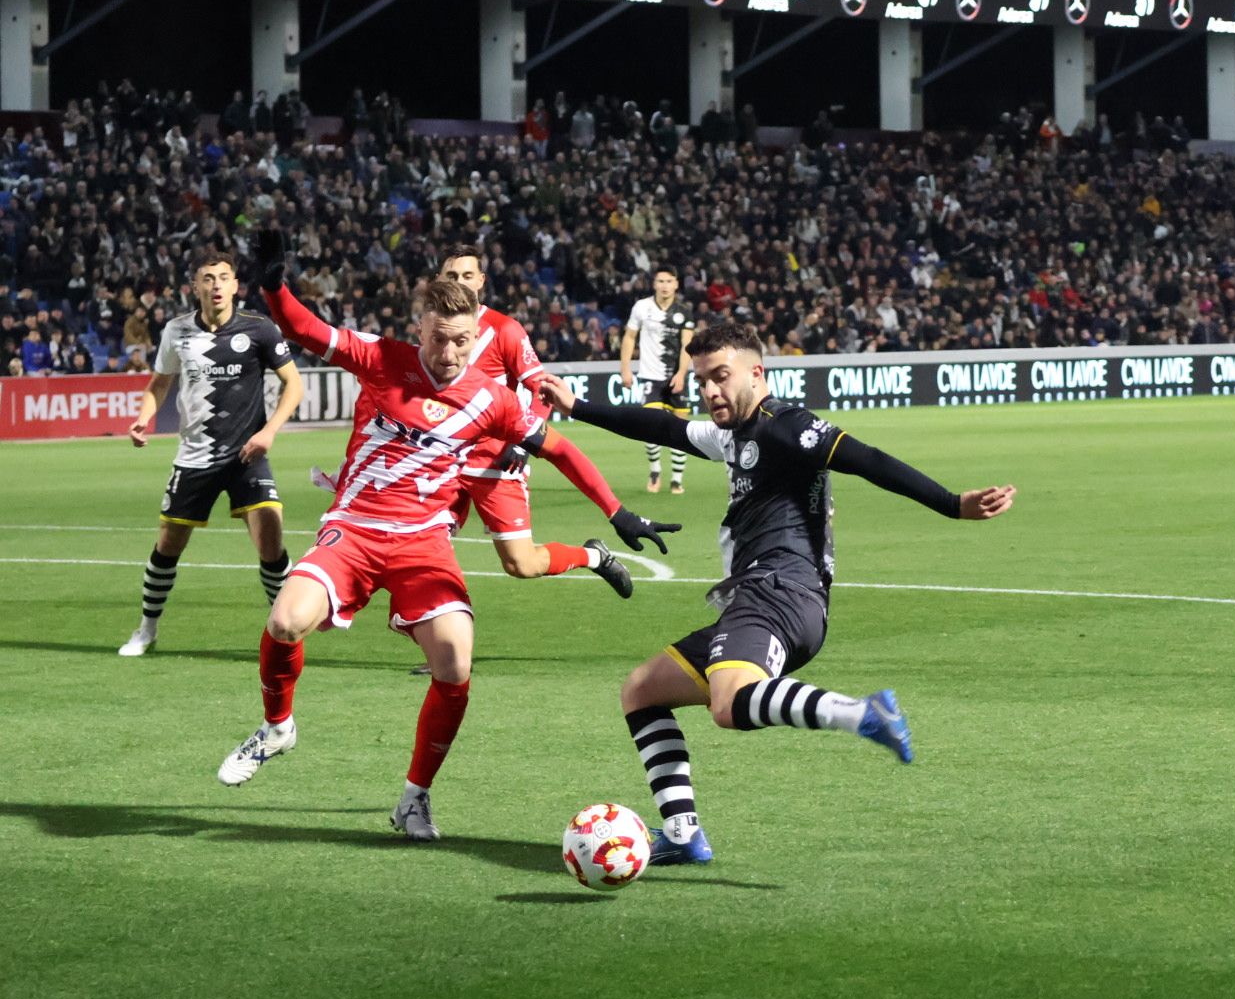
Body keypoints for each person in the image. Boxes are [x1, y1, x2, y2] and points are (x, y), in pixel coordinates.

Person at [218, 232, 680, 842]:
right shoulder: (383, 359)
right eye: (439, 339)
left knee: (456, 661)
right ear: (420, 330)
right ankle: (278, 726)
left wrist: (618, 513)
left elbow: (560, 447)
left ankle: (414, 797)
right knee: (284, 622)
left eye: (462, 341)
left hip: (422, 542)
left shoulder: (491, 399)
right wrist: (274, 286)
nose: (450, 352)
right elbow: (308, 331)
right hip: (354, 529)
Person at [536, 322, 1015, 865]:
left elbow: (867, 459)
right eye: (703, 380)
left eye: (721, 377)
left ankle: (861, 714)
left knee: (727, 704)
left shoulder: (785, 426)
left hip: (781, 592)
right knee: (642, 691)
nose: (711, 391)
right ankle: (682, 832)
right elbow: (662, 426)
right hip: (757, 599)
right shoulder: (732, 435)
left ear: (757, 373)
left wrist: (952, 503)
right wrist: (577, 405)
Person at [392, 244, 638, 676]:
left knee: (521, 564)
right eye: (452, 275)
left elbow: (541, 390)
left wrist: (522, 444)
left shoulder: (505, 330)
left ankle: (592, 556)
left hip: (495, 460)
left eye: (468, 275)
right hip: (443, 461)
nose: (460, 282)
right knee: (422, 547)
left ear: (481, 281)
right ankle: (444, 648)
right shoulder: (437, 328)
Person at [118, 249, 305, 657]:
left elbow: (294, 384)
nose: (216, 285)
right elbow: (159, 385)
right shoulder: (177, 331)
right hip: (195, 458)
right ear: (195, 287)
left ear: (236, 285)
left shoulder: (259, 329)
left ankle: (283, 630)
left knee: (271, 539)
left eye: (223, 277)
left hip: (248, 457)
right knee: (168, 545)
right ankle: (146, 629)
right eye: (208, 278)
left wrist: (269, 431)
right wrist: (143, 418)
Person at [619, 264, 695, 494]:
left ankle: (677, 479)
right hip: (650, 377)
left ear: (676, 284)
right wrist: (625, 369)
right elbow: (629, 337)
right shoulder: (642, 307)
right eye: (660, 281)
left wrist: (682, 374)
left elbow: (687, 346)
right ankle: (654, 471)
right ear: (654, 284)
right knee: (650, 426)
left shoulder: (684, 311)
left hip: (676, 378)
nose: (664, 286)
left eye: (669, 281)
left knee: (680, 428)